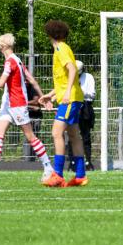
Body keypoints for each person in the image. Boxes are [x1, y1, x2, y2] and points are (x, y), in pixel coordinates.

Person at [0, 33, 53, 184]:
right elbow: (32, 80)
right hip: (8, 104)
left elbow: (1, 83)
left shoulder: (10, 62)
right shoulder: (18, 60)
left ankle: (49, 169)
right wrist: (44, 97)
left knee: (30, 137)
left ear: (3, 46)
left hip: (17, 104)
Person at [38, 20, 89, 187]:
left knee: (56, 133)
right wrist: (51, 95)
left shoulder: (60, 48)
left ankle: (57, 174)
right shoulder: (62, 48)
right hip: (72, 97)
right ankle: (80, 176)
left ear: (50, 34)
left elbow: (73, 69)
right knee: (74, 136)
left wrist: (66, 93)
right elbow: (65, 78)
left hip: (70, 99)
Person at [68, 60, 96, 171]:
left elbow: (92, 94)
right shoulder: (69, 76)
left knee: (86, 136)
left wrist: (79, 92)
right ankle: (72, 162)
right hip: (73, 105)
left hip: (85, 107)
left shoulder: (88, 77)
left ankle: (88, 161)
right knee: (72, 135)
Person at [22, 81, 44, 161]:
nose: (25, 82)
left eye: (26, 80)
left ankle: (33, 159)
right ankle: (27, 159)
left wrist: (24, 103)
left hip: (36, 117)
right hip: (26, 117)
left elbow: (36, 101)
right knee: (27, 138)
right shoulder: (20, 87)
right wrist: (31, 106)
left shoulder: (33, 88)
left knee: (34, 138)